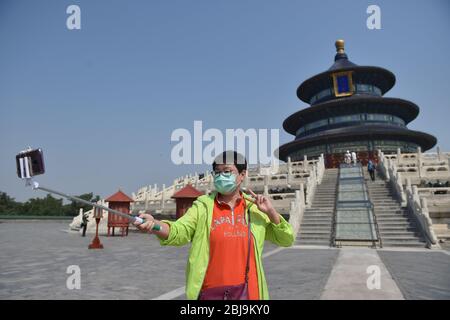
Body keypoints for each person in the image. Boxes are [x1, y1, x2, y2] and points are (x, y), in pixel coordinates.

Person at [134, 151, 294, 300]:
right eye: (217, 172)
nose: (220, 176)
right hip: (210, 293)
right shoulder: (203, 207)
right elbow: (178, 231)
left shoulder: (255, 210)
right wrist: (154, 224)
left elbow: (286, 240)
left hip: (250, 294)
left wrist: (271, 213)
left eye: (227, 171)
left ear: (242, 175)